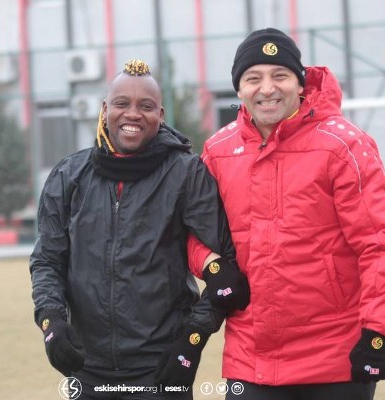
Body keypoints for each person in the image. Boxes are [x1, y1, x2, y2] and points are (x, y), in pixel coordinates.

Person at [187, 28, 385, 400]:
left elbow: (380, 244)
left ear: (300, 83)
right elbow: (191, 231)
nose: (267, 88)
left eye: (280, 75)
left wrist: (376, 332)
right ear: (239, 89)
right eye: (253, 78)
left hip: (336, 355)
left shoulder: (345, 144)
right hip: (251, 357)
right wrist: (210, 264)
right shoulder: (217, 151)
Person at [30, 59, 249, 399]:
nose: (132, 114)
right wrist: (52, 319)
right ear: (105, 109)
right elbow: (47, 260)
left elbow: (229, 268)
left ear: (160, 115)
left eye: (145, 106)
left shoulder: (186, 174)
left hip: (160, 369)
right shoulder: (69, 175)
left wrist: (192, 340)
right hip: (86, 369)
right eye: (122, 103)